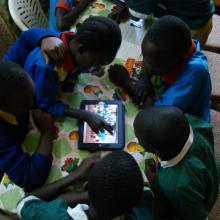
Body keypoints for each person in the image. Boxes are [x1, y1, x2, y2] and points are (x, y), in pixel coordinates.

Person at [3, 16, 122, 134]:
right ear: (81, 50)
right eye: (94, 63)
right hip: (16, 93)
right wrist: (84, 115)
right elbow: (44, 105)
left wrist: (87, 67)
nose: (94, 69)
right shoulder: (47, 67)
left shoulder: (72, 39)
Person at [109, 15, 211, 122]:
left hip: (189, 124)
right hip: (168, 96)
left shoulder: (195, 72)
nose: (147, 66)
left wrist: (126, 83)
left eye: (154, 66)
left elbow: (157, 114)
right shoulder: (182, 45)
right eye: (145, 56)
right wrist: (144, 78)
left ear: (178, 59)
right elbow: (152, 56)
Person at [133, 106, 219, 220]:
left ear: (156, 151)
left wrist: (156, 185)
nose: (137, 140)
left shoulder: (176, 185)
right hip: (210, 174)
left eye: (139, 139)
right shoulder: (195, 124)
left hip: (197, 205)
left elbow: (194, 215)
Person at [16, 151, 145, 220]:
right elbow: (145, 192)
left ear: (86, 185)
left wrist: (75, 175)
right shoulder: (141, 213)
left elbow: (24, 203)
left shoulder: (54, 215)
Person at [109, 0, 214, 46]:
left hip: (191, 26)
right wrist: (128, 5)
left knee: (176, 70)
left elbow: (143, 10)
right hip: (200, 15)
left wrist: (132, 6)